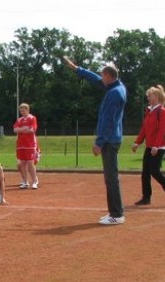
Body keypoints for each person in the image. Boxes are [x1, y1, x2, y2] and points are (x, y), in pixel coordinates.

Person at [64, 56, 126, 225]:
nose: (101, 78)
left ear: (108, 76)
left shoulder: (114, 93)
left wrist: (99, 143)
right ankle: (115, 212)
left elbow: (109, 121)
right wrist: (77, 69)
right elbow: (94, 79)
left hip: (110, 140)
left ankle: (117, 214)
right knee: (110, 178)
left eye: (102, 75)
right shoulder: (116, 86)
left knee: (111, 178)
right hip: (111, 138)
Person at [132, 85, 165, 206]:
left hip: (158, 147)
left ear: (157, 96)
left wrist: (156, 145)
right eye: (148, 96)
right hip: (150, 146)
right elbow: (144, 128)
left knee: (154, 171)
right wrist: (137, 142)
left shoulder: (162, 111)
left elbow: (162, 130)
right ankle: (146, 198)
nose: (148, 97)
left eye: (150, 95)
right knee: (145, 172)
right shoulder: (149, 110)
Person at [13, 103, 39, 189]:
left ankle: (35, 181)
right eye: (21, 110)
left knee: (30, 163)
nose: (22, 112)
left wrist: (21, 129)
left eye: (23, 110)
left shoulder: (32, 118)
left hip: (30, 144)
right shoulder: (19, 120)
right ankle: (25, 181)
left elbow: (32, 130)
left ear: (27, 110)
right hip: (20, 144)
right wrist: (24, 128)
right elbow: (15, 129)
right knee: (22, 163)